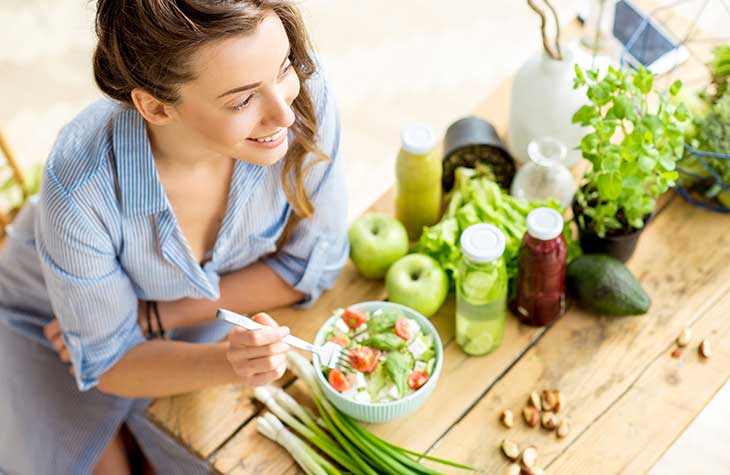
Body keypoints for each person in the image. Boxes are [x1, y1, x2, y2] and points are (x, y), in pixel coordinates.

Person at [0, 0, 348, 473]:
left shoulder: (300, 96)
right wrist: (228, 362)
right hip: (45, 317)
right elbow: (112, 362)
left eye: (284, 66)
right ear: (155, 107)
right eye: (243, 99)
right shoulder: (79, 184)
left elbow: (314, 264)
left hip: (182, 314)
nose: (283, 115)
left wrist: (157, 317)